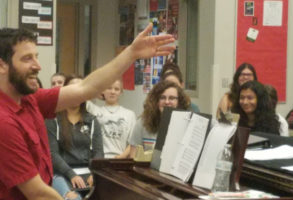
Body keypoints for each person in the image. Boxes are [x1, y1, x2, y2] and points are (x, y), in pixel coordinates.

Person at [0, 24, 174, 200]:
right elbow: (38, 194)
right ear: (2, 66)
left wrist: (131, 53)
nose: (38, 66)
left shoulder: (29, 99)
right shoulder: (4, 122)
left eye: (36, 57)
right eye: (27, 59)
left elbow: (86, 88)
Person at [46, 75, 104, 199]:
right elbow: (52, 154)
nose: (77, 93)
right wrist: (71, 174)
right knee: (74, 198)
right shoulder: (53, 120)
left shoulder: (92, 121)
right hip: (62, 173)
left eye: (81, 89)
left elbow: (98, 152)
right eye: (73, 88)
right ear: (65, 91)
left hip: (89, 174)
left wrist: (94, 174)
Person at [129, 81, 190, 158]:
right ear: (156, 101)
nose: (167, 102)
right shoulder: (142, 123)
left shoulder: (187, 125)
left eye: (172, 98)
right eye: (162, 98)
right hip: (146, 169)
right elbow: (133, 156)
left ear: (179, 101)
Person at [86, 79, 136, 159]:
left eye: (116, 89)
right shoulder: (94, 110)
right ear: (103, 91)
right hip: (98, 159)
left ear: (121, 92)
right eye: (109, 88)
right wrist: (96, 94)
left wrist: (120, 157)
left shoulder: (129, 114)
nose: (112, 92)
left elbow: (133, 142)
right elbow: (81, 97)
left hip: (119, 160)